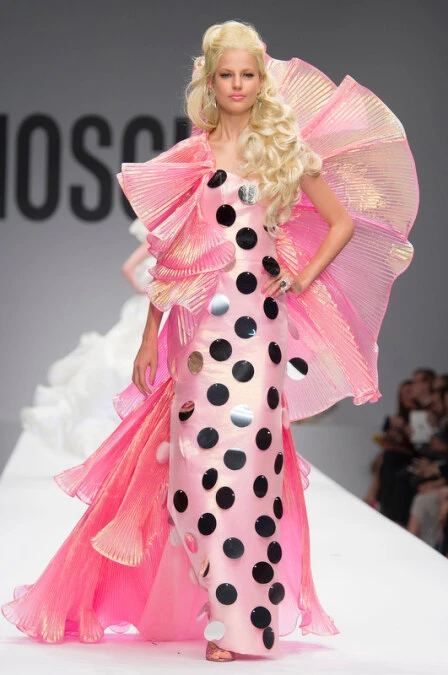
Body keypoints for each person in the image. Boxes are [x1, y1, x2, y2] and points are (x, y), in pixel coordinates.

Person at [1, 20, 419, 661]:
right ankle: (218, 607)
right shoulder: (192, 160)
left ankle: (239, 624)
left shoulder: (282, 150)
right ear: (210, 79)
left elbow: (340, 222)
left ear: (262, 79)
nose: (238, 85)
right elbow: (171, 258)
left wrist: (302, 276)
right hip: (200, 337)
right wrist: (149, 338)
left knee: (250, 467)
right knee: (193, 471)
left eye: (248, 74)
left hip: (260, 330)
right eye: (227, 74)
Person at [19, 218, 168, 459]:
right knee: (131, 365)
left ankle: (138, 435)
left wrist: (144, 289)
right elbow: (128, 268)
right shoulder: (161, 241)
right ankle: (134, 435)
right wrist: (145, 291)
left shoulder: (164, 243)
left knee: (129, 366)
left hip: (155, 308)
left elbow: (128, 269)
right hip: (153, 311)